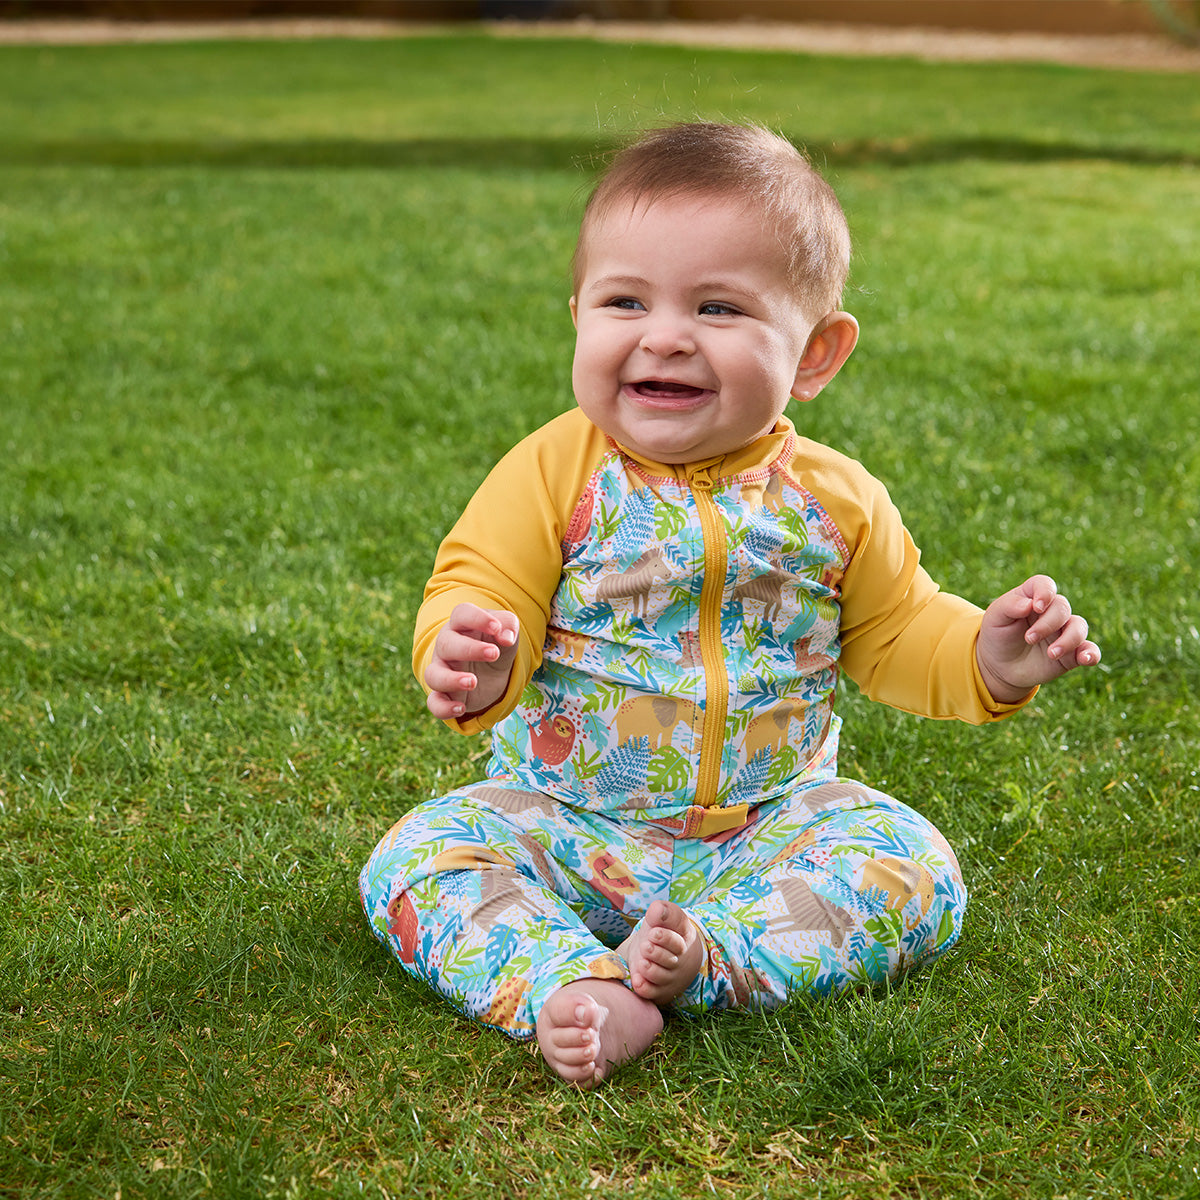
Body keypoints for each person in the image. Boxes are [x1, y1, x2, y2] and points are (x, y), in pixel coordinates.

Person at [358, 122, 1100, 1088]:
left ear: (817, 354)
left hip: (772, 824)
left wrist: (990, 658)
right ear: (579, 312)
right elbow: (479, 584)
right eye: (626, 301)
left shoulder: (833, 501)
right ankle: (570, 984)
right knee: (418, 857)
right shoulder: (553, 471)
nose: (662, 335)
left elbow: (898, 630)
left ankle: (710, 958)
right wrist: (471, 658)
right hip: (569, 821)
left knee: (912, 866)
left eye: (717, 307)